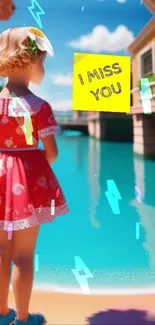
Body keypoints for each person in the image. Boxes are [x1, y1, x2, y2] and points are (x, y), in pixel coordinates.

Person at [0, 27, 69, 325]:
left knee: (1, 251)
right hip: (27, 185)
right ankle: (24, 319)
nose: (42, 68)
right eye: (41, 61)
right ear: (28, 63)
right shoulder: (40, 107)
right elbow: (51, 154)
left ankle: (2, 314)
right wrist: (33, 159)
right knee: (24, 256)